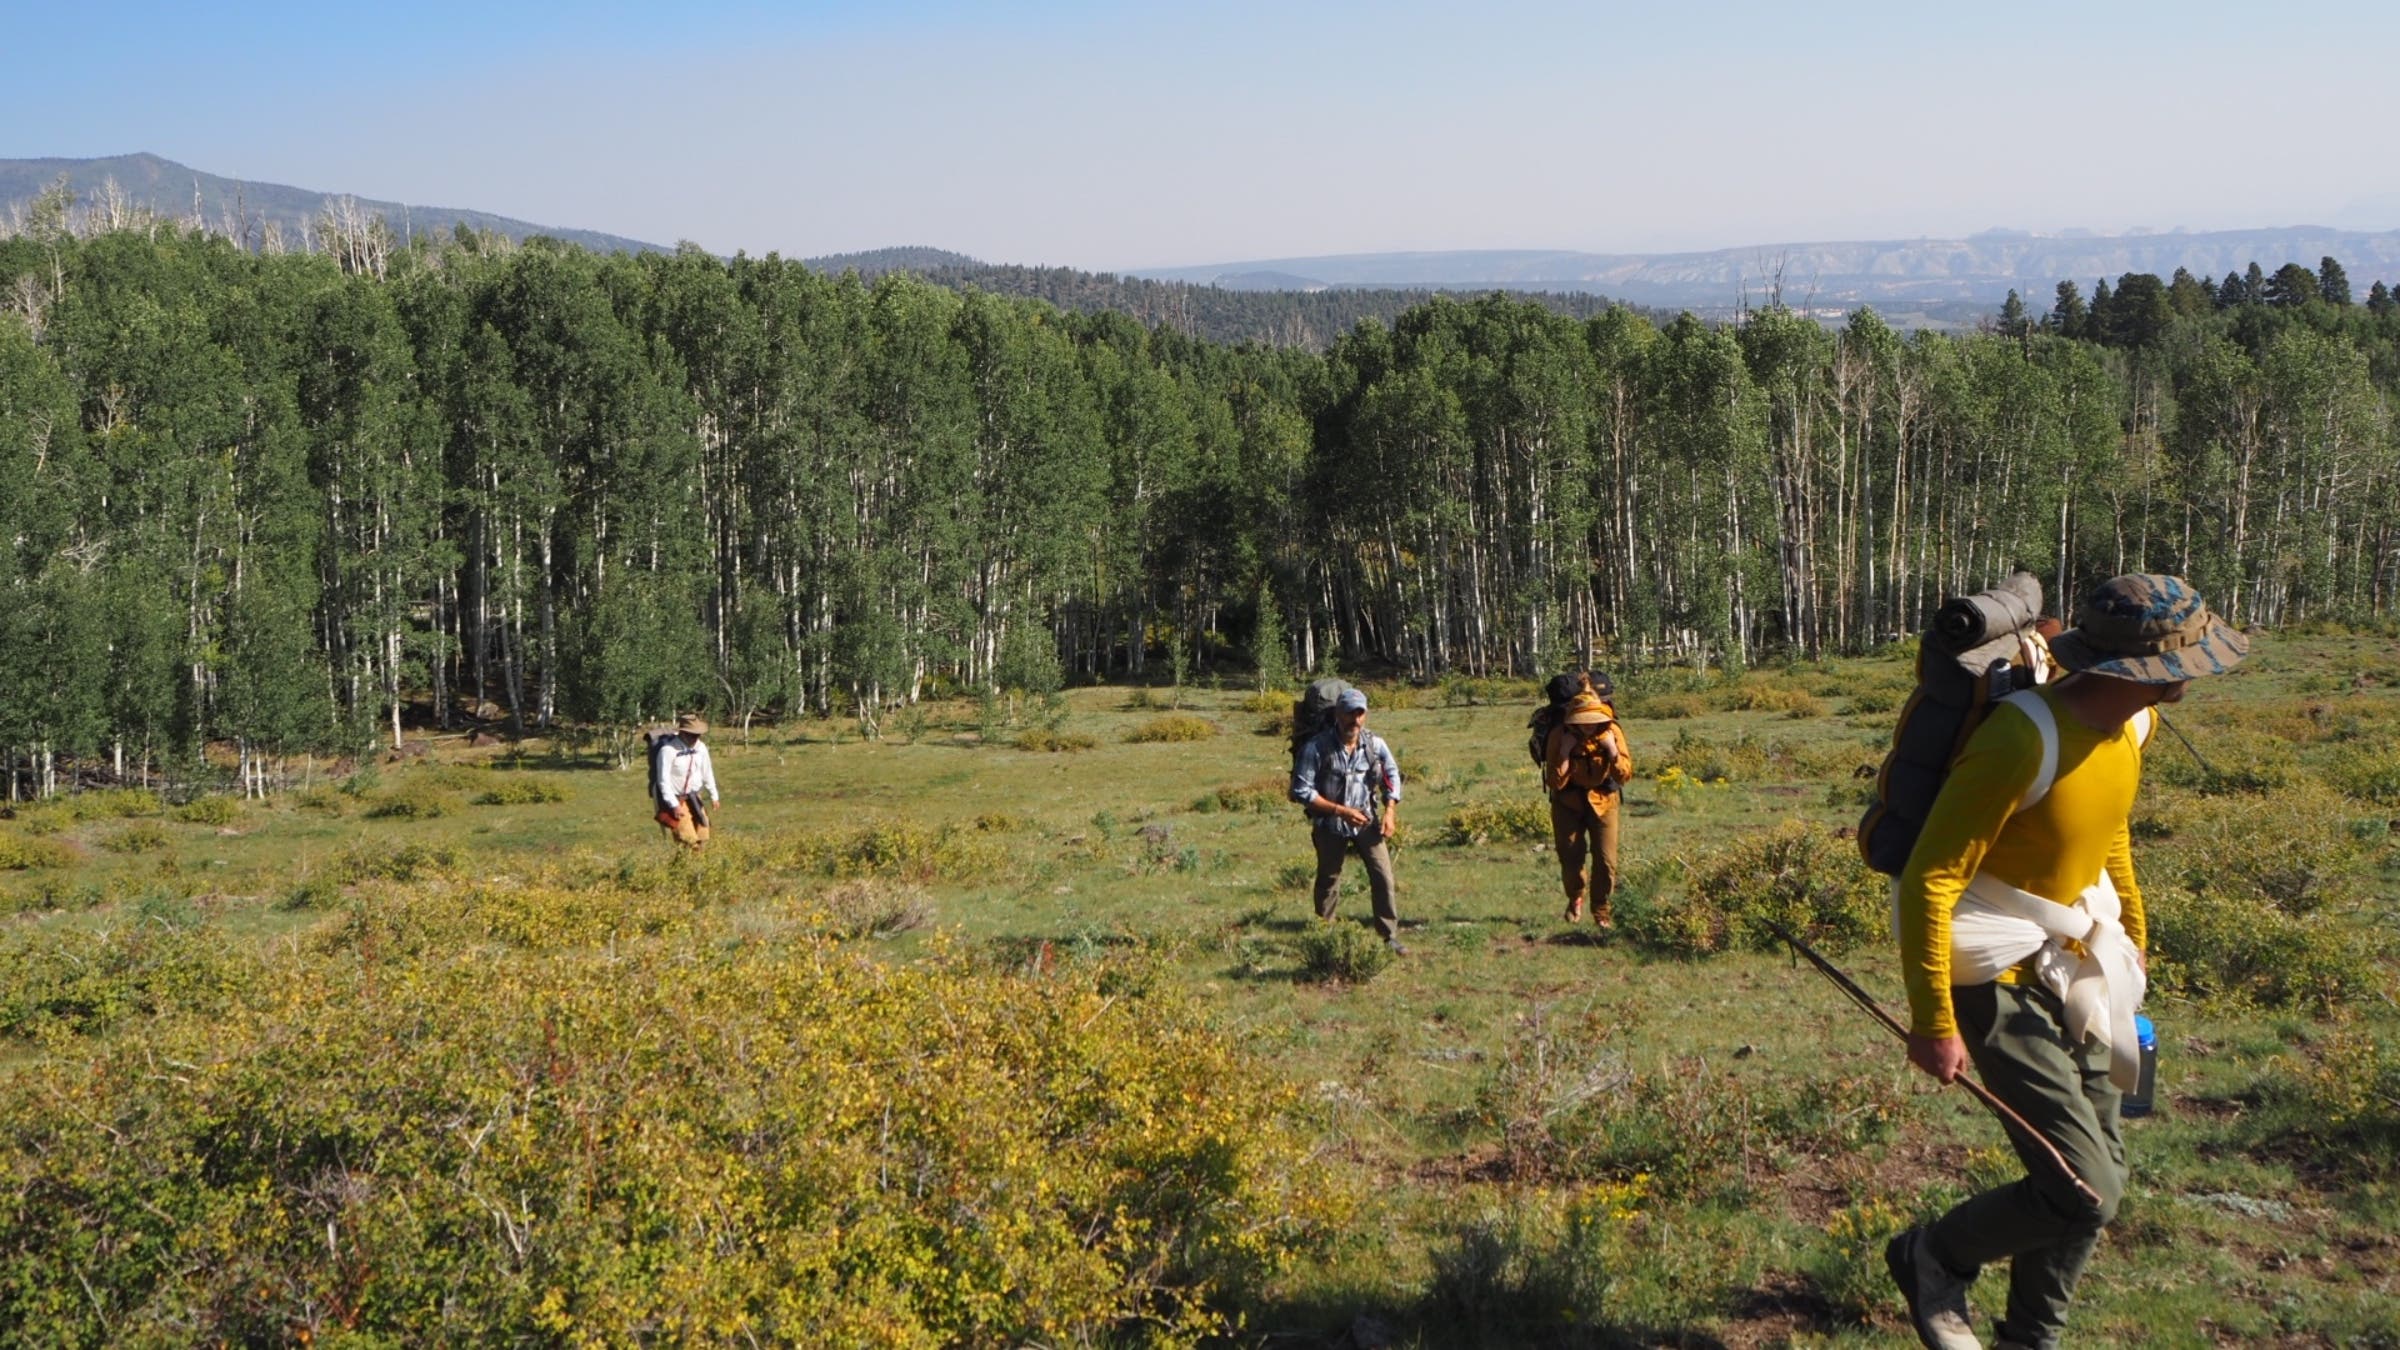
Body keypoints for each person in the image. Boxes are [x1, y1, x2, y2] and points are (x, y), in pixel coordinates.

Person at [1885, 575, 2246, 1350]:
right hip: (1995, 975)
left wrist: (2132, 934)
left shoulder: (2134, 727)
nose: (2195, 672)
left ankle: (2030, 1339)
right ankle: (1934, 1255)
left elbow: (2108, 835)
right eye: (2188, 656)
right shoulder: (2021, 738)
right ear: (2148, 667)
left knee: (2093, 1181)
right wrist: (1933, 1022)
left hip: (2082, 957)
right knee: (2086, 1191)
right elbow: (1931, 879)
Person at [1290, 687, 1406, 952]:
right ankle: (1324, 935)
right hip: (1329, 824)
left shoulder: (1375, 745)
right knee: (1329, 879)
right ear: (1337, 714)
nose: (1354, 719)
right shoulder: (1316, 747)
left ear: (1365, 715)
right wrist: (1341, 811)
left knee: (1383, 877)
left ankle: (1388, 937)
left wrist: (1390, 811)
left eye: (1359, 713)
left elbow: (1392, 774)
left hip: (1367, 822)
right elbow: (1302, 789)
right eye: (1348, 713)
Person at [1542, 683, 1633, 926]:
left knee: (1606, 861)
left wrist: (1612, 751)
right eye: (1584, 720)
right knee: (1571, 859)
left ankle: (1602, 911)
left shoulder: (1612, 731)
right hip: (1567, 804)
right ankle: (1575, 897)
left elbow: (1624, 775)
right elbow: (1555, 782)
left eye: (1593, 719)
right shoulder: (1559, 735)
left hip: (1605, 802)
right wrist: (1564, 753)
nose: (1589, 724)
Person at [653, 713, 721, 849]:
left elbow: (707, 771)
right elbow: (663, 781)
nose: (696, 738)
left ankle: (694, 866)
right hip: (675, 798)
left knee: (703, 835)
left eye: (698, 735)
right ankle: (687, 867)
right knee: (687, 839)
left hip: (694, 796)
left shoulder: (701, 748)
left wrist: (714, 796)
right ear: (682, 733)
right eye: (692, 735)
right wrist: (674, 805)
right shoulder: (667, 751)